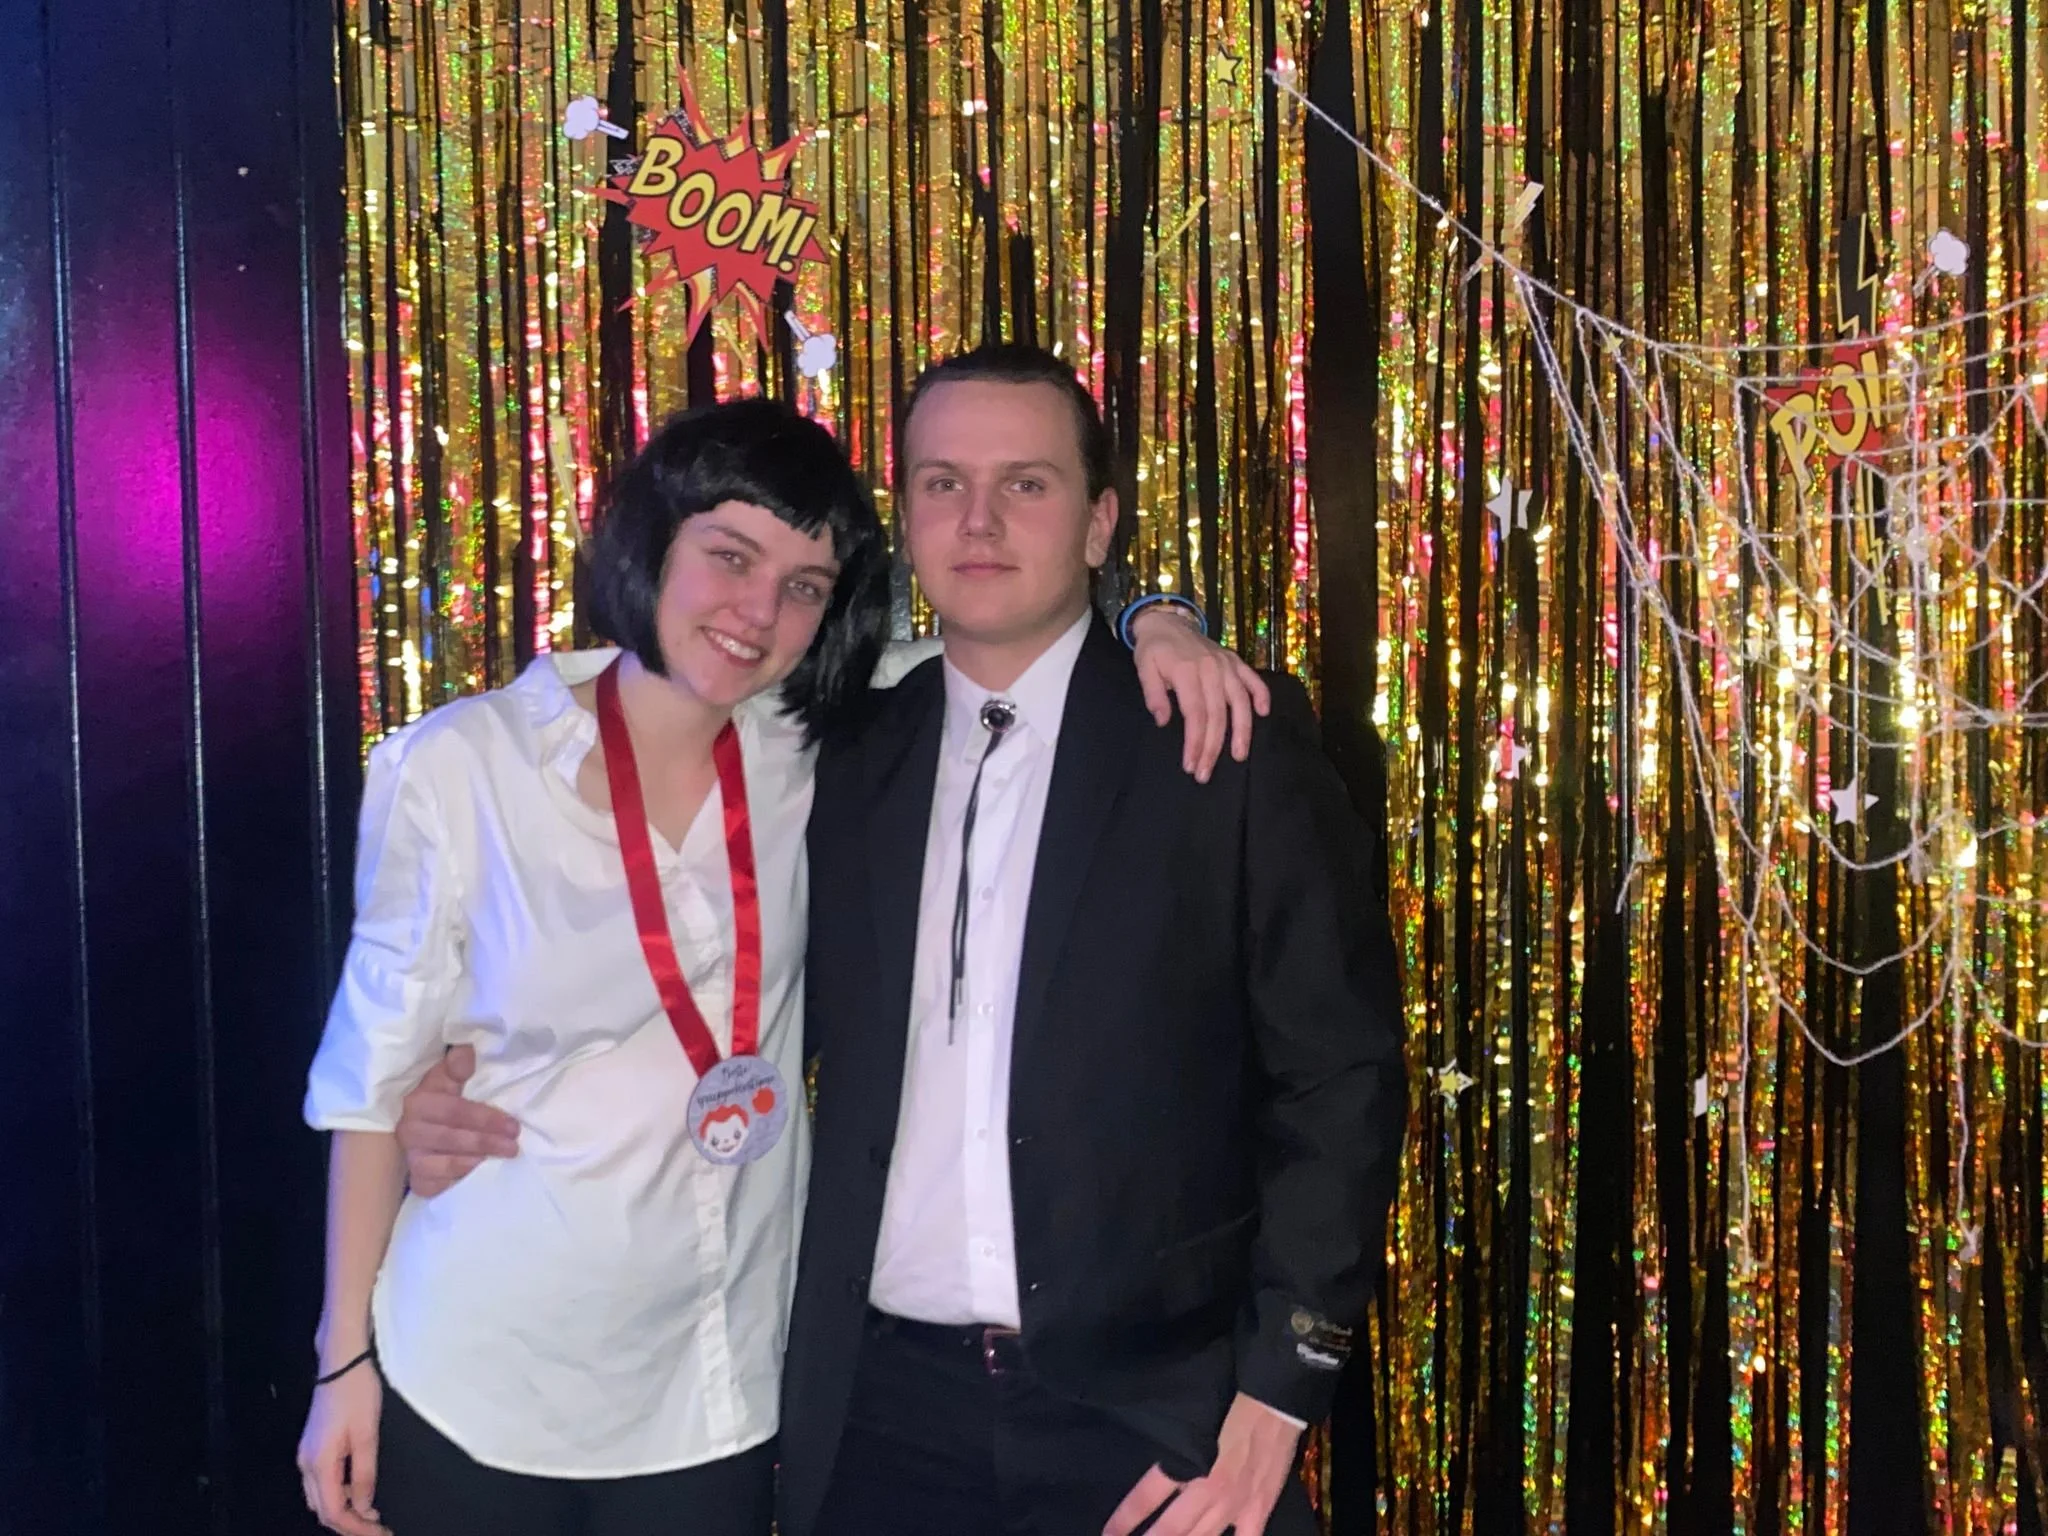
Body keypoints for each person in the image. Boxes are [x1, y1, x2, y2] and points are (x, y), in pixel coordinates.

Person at [295, 395, 1262, 1536]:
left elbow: (1018, 644)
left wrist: (1157, 619)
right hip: (482, 1368)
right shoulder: (462, 768)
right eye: (728, 555)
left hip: (717, 1387)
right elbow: (369, 1085)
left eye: (803, 586)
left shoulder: (818, 746)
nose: (757, 612)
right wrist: (341, 1361)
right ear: (653, 541)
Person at [782, 345, 1406, 1536]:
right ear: (904, 514)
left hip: (1157, 1420)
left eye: (1024, 483)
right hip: (877, 1421)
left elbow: (1339, 1083)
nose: (977, 519)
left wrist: (1277, 1395)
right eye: (941, 483)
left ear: (1098, 520)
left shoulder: (1223, 742)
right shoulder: (840, 757)